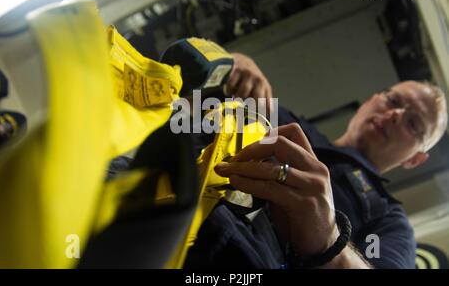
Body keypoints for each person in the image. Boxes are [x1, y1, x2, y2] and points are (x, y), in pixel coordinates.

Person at [184, 53, 448, 269]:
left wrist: (328, 238)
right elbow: (188, 104)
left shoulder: (390, 221)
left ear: (414, 159)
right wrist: (231, 63)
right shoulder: (283, 119)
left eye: (413, 123)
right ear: (370, 101)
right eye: (393, 100)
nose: (395, 115)